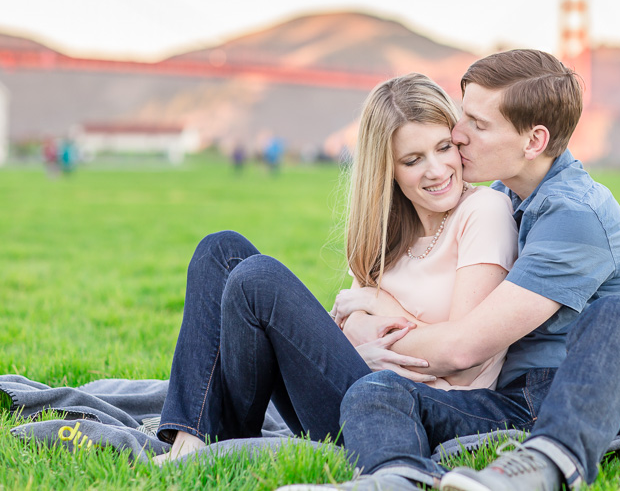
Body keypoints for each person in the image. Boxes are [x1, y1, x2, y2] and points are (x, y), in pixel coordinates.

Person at [292, 50, 620, 491]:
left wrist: (378, 309)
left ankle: (540, 468)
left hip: (608, 399)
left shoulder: (577, 213)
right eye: (463, 116)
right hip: (514, 402)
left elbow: (462, 348)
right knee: (376, 390)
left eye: (477, 123)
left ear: (533, 142)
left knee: (616, 315)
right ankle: (395, 479)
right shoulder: (503, 195)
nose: (458, 134)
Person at [154, 73, 518, 462]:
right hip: (354, 383)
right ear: (387, 169)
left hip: (404, 411)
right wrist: (357, 337)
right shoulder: (388, 230)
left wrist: (378, 315)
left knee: (256, 279)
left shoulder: (484, 211)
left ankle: (215, 437)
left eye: (444, 147)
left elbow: (466, 361)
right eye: (413, 159)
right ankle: (191, 436)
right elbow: (344, 316)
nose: (437, 169)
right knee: (220, 249)